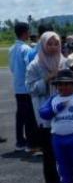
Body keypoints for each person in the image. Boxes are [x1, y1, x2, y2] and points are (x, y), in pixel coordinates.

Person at [26, 31, 67, 183]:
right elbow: (31, 89)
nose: (53, 47)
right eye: (49, 43)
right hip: (45, 113)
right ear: (42, 45)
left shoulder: (63, 61)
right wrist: (47, 78)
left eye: (56, 43)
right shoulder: (35, 65)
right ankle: (52, 181)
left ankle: (67, 177)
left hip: (64, 111)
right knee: (49, 151)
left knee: (64, 147)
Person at [10, 21, 37, 153]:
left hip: (17, 86)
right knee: (30, 117)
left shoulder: (11, 49)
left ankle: (20, 141)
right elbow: (30, 68)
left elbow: (11, 68)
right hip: (26, 87)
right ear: (25, 33)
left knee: (20, 115)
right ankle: (30, 143)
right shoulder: (26, 49)